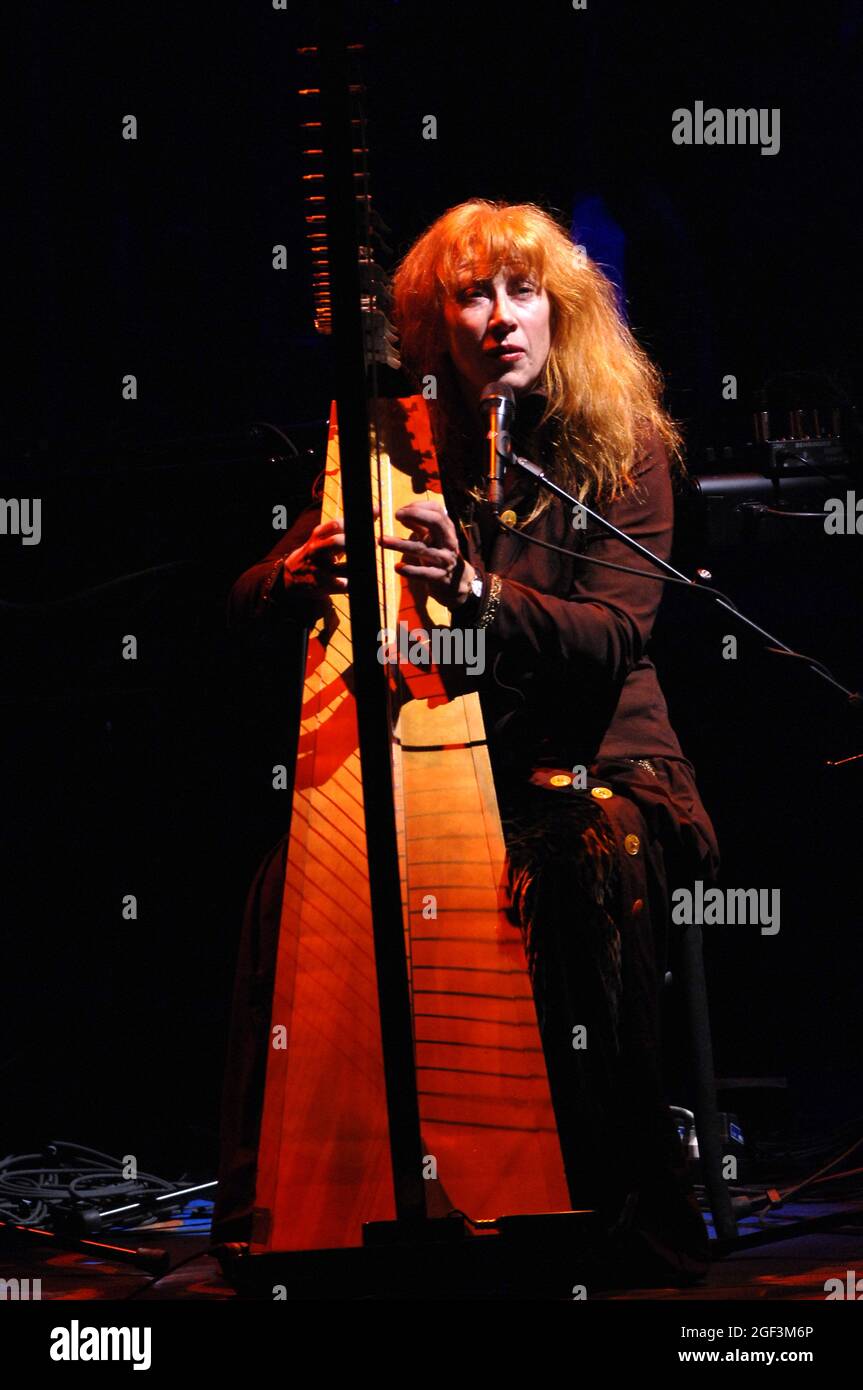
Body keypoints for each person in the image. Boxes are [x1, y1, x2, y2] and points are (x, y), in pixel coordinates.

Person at [213, 200, 721, 1285]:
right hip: (449, 775)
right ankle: (302, 1201)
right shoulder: (394, 446)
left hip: (605, 772)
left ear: (560, 310)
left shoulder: (618, 447)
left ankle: (607, 1204)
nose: (499, 317)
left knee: (567, 870)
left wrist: (482, 592)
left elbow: (613, 636)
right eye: (472, 293)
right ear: (433, 321)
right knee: (282, 882)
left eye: (522, 292)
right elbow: (245, 595)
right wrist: (291, 576)